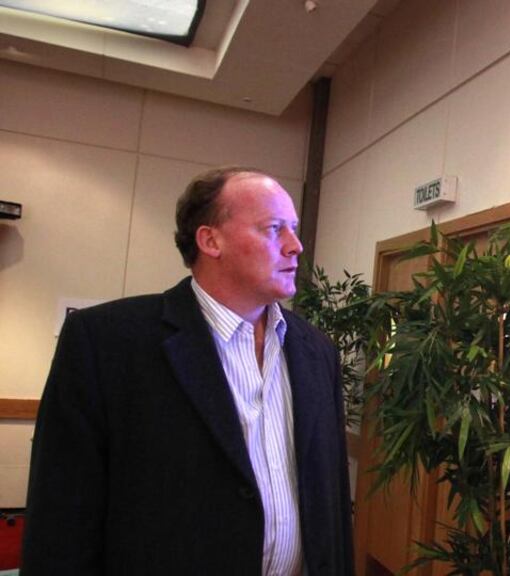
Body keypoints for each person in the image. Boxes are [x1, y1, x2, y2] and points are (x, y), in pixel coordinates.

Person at [22, 166, 355, 575]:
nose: (295, 246)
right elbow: (61, 516)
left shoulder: (317, 351)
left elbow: (333, 501)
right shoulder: (107, 343)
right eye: (274, 229)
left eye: (295, 229)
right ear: (210, 240)